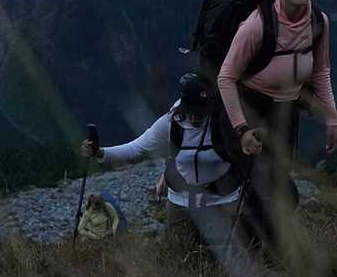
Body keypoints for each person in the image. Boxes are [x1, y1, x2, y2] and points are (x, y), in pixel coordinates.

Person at [216, 0, 337, 249]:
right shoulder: (256, 26)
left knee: (271, 189)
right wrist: (242, 131)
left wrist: (332, 119)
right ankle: (254, 257)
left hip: (285, 114)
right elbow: (226, 77)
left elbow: (321, 71)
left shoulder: (319, 23)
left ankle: (251, 255)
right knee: (276, 191)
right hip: (249, 111)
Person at [80, 73, 246, 259]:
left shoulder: (225, 121)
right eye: (191, 111)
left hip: (221, 200)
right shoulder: (170, 123)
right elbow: (136, 148)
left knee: (222, 259)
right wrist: (100, 152)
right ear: (183, 107)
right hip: (182, 201)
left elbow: (247, 149)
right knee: (178, 256)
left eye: (201, 113)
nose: (196, 117)